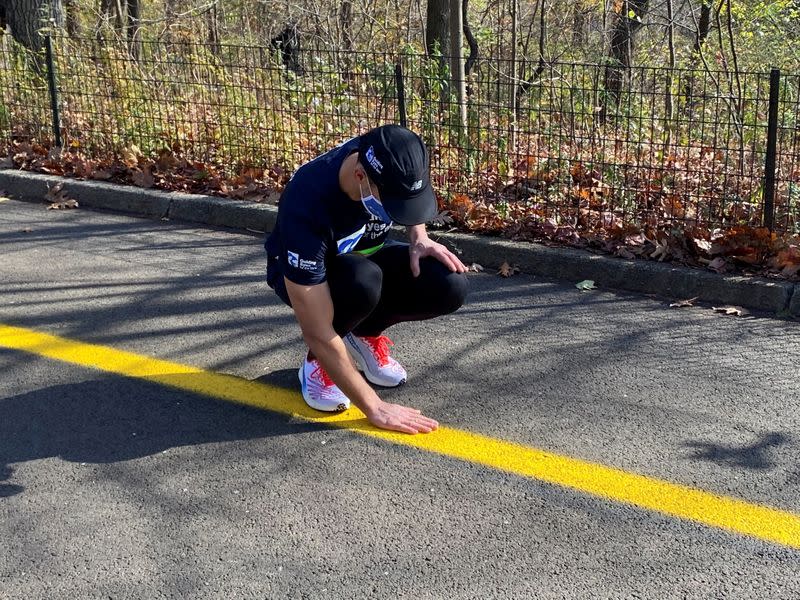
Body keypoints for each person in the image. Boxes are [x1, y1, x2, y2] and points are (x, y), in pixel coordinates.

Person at [266, 124, 468, 434]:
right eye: (393, 204)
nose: (399, 213)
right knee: (363, 281)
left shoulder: (391, 153)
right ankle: (317, 365)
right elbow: (317, 330)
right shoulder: (306, 206)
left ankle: (364, 334)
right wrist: (374, 406)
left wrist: (419, 237)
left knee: (448, 283)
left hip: (362, 257)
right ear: (361, 177)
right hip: (306, 275)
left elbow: (410, 195)